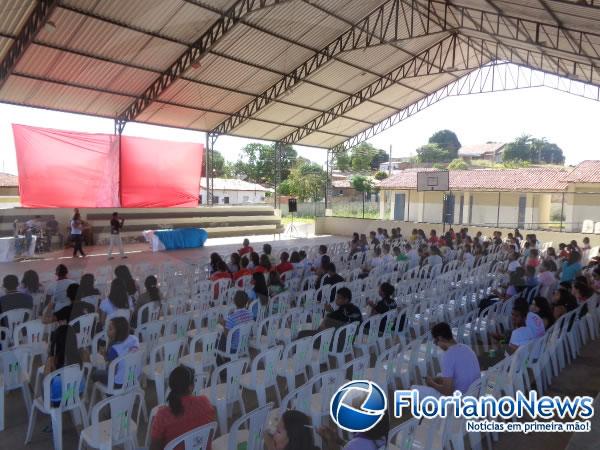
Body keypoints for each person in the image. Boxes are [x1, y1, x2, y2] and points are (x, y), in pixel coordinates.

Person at [150, 365, 216, 450]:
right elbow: (210, 432)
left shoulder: (162, 415)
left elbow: (154, 447)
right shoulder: (205, 402)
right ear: (191, 387)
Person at [411, 322, 480, 398]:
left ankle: (434, 408)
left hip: (459, 399)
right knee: (437, 378)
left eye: (436, 342)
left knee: (411, 390)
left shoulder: (448, 356)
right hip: (474, 392)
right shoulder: (466, 348)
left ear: (440, 338)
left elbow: (447, 391)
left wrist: (432, 384)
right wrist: (434, 380)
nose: (436, 345)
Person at [44, 324, 86, 406]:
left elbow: (46, 380)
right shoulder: (81, 354)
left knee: (44, 382)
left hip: (58, 399)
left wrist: (50, 354)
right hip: (77, 392)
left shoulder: (52, 360)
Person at [318, 405, 390, 450]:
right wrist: (339, 441)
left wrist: (330, 441)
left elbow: (355, 446)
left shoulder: (354, 444)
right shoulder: (381, 437)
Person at [93, 317, 139, 386]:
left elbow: (107, 359)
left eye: (110, 329)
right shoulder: (134, 338)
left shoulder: (115, 348)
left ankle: (110, 394)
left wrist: (104, 353)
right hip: (133, 377)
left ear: (118, 332)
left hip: (119, 382)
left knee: (94, 373)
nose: (107, 330)